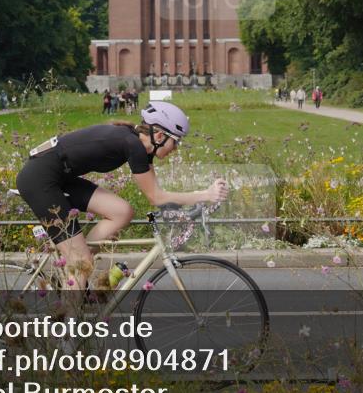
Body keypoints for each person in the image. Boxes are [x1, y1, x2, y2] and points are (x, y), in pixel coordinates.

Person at [16, 102, 228, 292]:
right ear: (160, 136)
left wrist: (190, 202)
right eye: (176, 141)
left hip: (58, 177)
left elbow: (157, 193)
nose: (176, 149)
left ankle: (76, 267)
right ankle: (68, 321)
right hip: (40, 179)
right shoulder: (133, 145)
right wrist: (205, 195)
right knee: (81, 261)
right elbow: (156, 197)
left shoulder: (140, 146)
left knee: (122, 212)